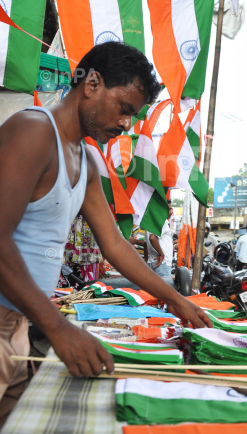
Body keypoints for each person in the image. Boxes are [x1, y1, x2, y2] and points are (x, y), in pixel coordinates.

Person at [0, 42, 211, 425]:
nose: (126, 124)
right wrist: (57, 326)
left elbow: (114, 243)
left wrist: (174, 299)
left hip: (23, 321)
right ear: (92, 83)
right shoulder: (32, 132)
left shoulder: (88, 159)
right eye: (125, 108)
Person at [145, 201, 174, 278]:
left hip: (152, 261)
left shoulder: (149, 223)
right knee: (164, 289)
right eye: (170, 209)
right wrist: (162, 254)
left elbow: (146, 244)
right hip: (161, 264)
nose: (172, 211)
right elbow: (152, 237)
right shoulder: (162, 222)